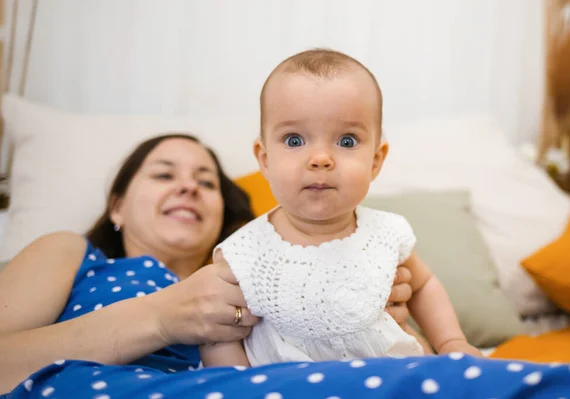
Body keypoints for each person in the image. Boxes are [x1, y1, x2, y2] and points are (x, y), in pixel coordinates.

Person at [0, 133, 416, 395]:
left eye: (206, 182)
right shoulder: (71, 253)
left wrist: (373, 320)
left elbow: (410, 364)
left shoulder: (267, 275)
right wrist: (162, 317)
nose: (188, 187)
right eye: (164, 176)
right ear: (118, 206)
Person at [201, 49, 482, 368]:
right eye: (294, 140)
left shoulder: (387, 234)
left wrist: (451, 341)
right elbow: (218, 336)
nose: (320, 158)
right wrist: (243, 387)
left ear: (375, 161)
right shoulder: (243, 253)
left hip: (390, 383)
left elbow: (423, 285)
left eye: (346, 141)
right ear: (265, 159)